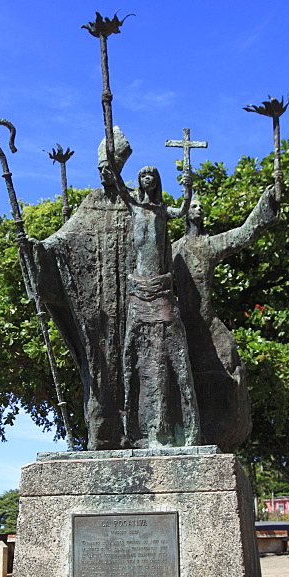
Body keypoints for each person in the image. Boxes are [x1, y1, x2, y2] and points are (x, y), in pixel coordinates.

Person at [22, 127, 135, 450]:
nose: (103, 174)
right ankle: (103, 434)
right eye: (99, 169)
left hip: (133, 305)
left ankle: (139, 432)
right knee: (98, 372)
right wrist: (37, 249)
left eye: (108, 168)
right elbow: (63, 240)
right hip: (96, 312)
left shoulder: (136, 204)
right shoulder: (91, 203)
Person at [172, 187, 279, 450]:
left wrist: (266, 202)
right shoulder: (172, 250)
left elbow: (243, 234)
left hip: (208, 322)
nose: (199, 210)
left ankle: (229, 427)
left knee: (232, 363)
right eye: (194, 206)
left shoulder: (210, 243)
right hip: (181, 324)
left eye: (201, 207)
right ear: (185, 212)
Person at [121, 166, 201, 448]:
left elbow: (182, 211)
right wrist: (111, 158)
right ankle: (139, 431)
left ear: (157, 182)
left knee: (173, 355)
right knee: (135, 356)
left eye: (152, 177)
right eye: (143, 177)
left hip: (162, 289)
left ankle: (178, 428)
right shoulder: (134, 206)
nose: (147, 181)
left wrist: (187, 189)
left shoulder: (161, 210)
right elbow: (120, 187)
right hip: (138, 290)